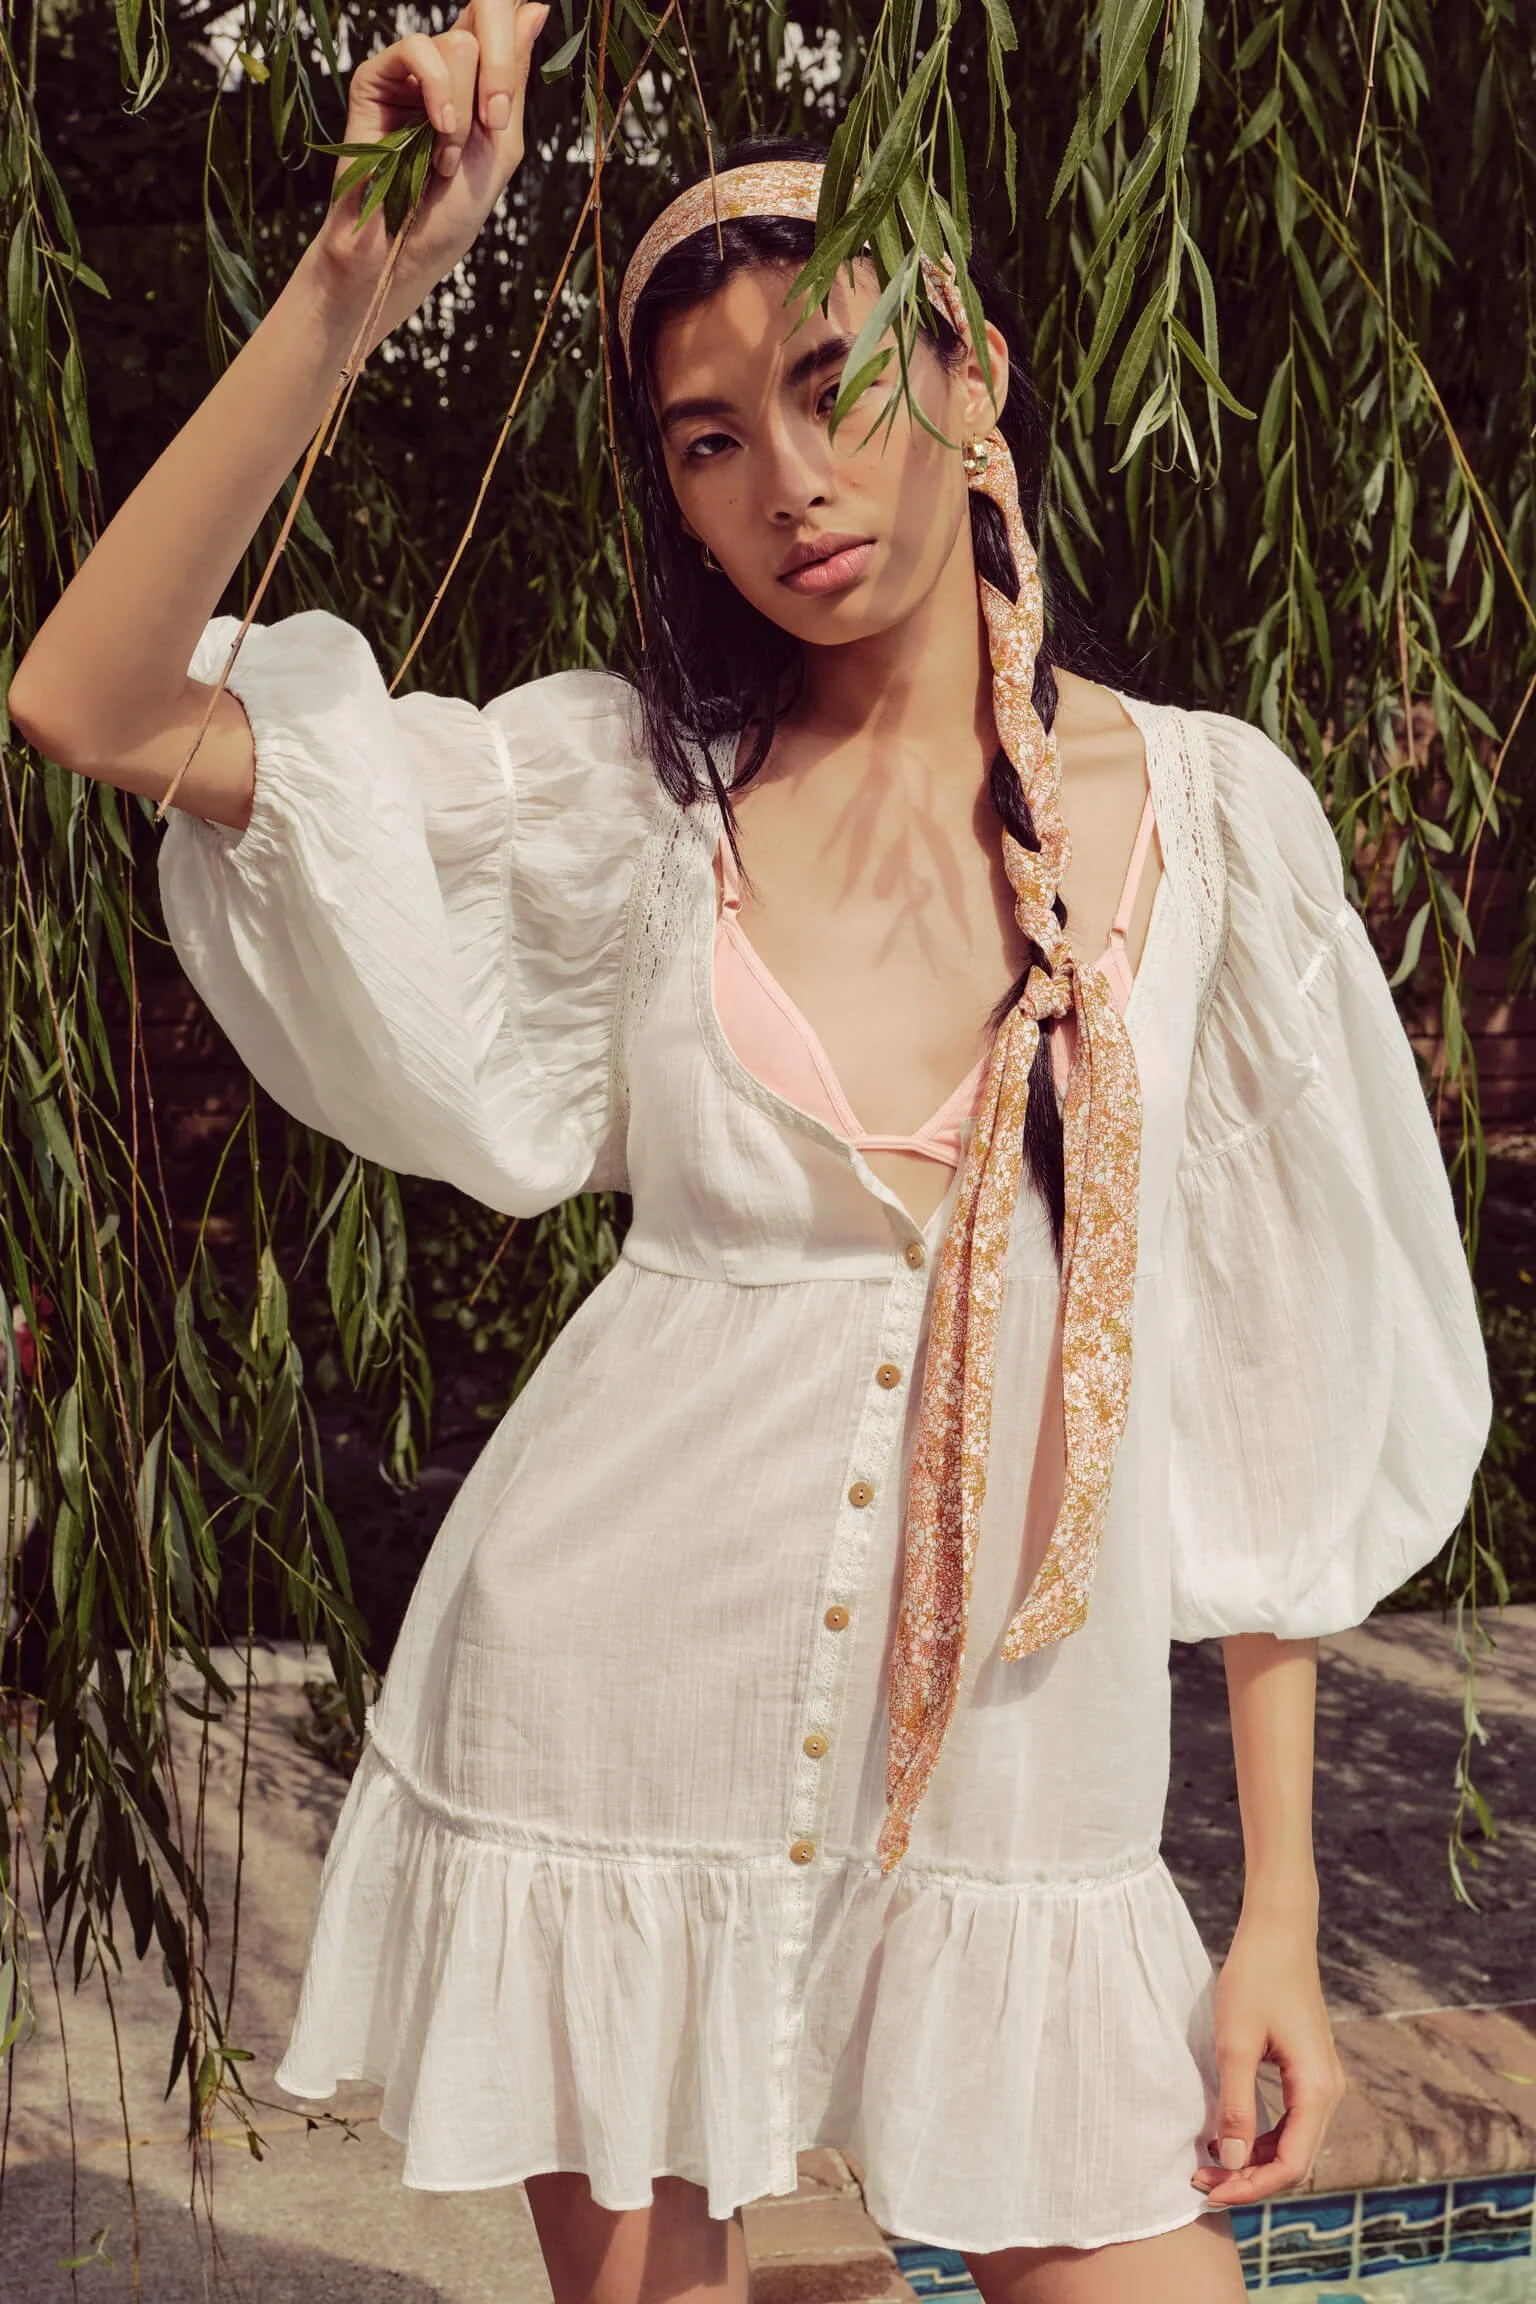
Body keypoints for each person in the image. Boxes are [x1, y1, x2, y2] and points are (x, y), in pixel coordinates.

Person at [10, 7, 1493, 2300]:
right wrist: (349, 283)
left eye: (834, 384)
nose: (787, 482)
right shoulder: (626, 801)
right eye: (708, 443)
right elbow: (88, 703)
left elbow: (1269, 1379)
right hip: (611, 1720)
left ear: (976, 369)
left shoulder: (1211, 817)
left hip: (1027, 1817)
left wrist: (1274, 1912)